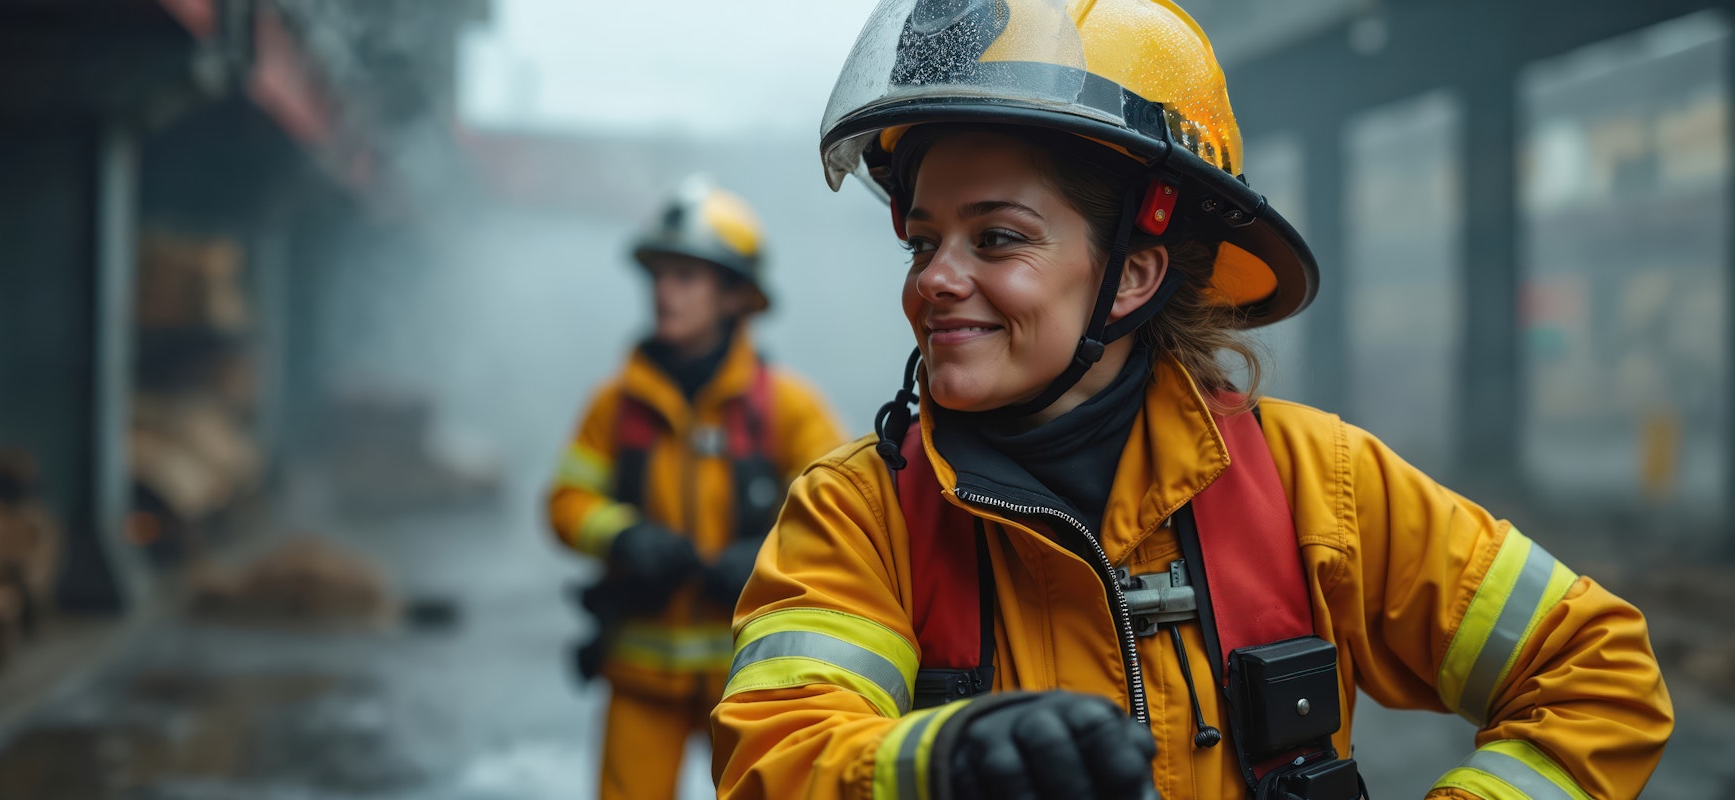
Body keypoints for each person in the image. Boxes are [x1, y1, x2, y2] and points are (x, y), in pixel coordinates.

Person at [710, 2, 1673, 799]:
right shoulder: (859, 515)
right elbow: (773, 759)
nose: (934, 280)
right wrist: (937, 761)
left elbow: (1597, 671)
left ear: (1133, 274)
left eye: (996, 238)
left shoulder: (1319, 486)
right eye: (923, 242)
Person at [547, 175, 846, 800]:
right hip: (639, 676)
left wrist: (765, 555)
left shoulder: (788, 408)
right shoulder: (615, 405)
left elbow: (841, 513)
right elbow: (566, 502)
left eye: (685, 276)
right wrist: (623, 537)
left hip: (751, 682)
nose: (664, 292)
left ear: (735, 294)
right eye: (659, 275)